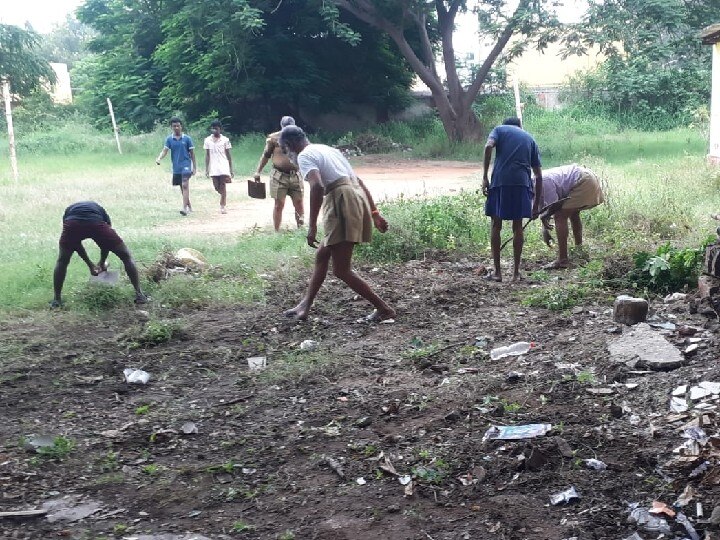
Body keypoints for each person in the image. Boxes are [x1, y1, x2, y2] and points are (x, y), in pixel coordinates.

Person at [278, 126, 395, 322]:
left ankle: (383, 309)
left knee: (341, 270)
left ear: (289, 145)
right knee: (322, 255)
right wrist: (374, 213)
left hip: (341, 200)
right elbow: (359, 181)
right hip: (354, 195)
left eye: (284, 150)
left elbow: (317, 186)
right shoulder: (327, 149)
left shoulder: (304, 156)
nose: (286, 155)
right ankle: (304, 306)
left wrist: (312, 225)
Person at [51, 201, 147, 307]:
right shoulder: (101, 213)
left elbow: (75, 244)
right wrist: (98, 263)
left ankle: (56, 300)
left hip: (72, 224)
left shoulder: (69, 211)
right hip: (95, 223)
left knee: (62, 261)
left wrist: (93, 264)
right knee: (126, 256)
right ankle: (139, 295)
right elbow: (105, 243)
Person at [483, 117, 543, 282]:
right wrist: (536, 205)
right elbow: (538, 175)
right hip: (521, 183)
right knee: (518, 227)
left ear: (505, 124)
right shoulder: (529, 138)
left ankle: (497, 273)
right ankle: (516, 273)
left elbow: (488, 146)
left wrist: (484, 177)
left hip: (500, 181)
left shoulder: (499, 130)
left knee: (496, 224)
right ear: (519, 127)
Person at [254, 116, 305, 230]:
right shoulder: (274, 138)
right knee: (279, 204)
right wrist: (258, 172)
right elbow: (266, 155)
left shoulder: (299, 138)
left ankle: (301, 229)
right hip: (279, 175)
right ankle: (276, 231)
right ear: (282, 127)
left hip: (296, 175)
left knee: (299, 203)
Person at [156, 117, 196, 216]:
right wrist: (159, 158)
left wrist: (194, 167)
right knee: (182, 187)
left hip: (186, 165)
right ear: (171, 127)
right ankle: (189, 205)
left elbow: (192, 153)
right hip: (176, 167)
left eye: (178, 126)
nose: (176, 128)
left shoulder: (187, 139)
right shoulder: (169, 139)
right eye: (174, 126)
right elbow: (165, 151)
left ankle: (184, 208)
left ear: (181, 126)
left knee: (185, 184)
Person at [203, 120, 234, 214]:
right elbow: (207, 155)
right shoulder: (207, 140)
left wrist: (231, 168)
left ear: (220, 129)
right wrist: (207, 169)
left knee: (223, 185)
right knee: (216, 186)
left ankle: (222, 205)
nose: (215, 130)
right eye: (213, 128)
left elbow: (228, 155)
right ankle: (223, 195)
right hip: (213, 166)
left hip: (223, 165)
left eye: (216, 128)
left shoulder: (225, 140)